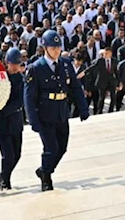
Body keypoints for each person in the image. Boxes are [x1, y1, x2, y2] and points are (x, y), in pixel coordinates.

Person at [24, 30, 88, 192]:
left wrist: (83, 108)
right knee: (51, 148)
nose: (56, 50)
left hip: (61, 112)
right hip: (44, 114)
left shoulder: (66, 64)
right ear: (45, 48)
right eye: (53, 48)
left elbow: (75, 87)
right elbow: (29, 98)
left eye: (58, 47)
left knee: (62, 148)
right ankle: (46, 177)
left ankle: (44, 169)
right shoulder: (36, 68)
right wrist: (33, 120)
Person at [0, 47, 25, 191]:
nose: (15, 67)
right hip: (2, 123)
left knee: (17, 155)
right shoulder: (0, 78)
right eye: (13, 64)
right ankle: (5, 181)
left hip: (16, 121)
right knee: (8, 155)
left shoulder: (20, 79)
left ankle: (3, 175)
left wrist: (6, 109)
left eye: (18, 64)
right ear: (7, 63)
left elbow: (20, 100)